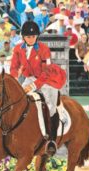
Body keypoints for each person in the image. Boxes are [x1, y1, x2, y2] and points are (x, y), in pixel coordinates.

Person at [10, 20, 66, 155]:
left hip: (47, 80)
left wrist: (33, 86)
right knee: (16, 100)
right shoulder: (18, 49)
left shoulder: (44, 49)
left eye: (34, 36)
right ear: (23, 37)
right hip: (29, 77)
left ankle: (52, 140)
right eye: (28, 37)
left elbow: (46, 73)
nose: (31, 39)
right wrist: (15, 79)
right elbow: (13, 67)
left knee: (50, 106)